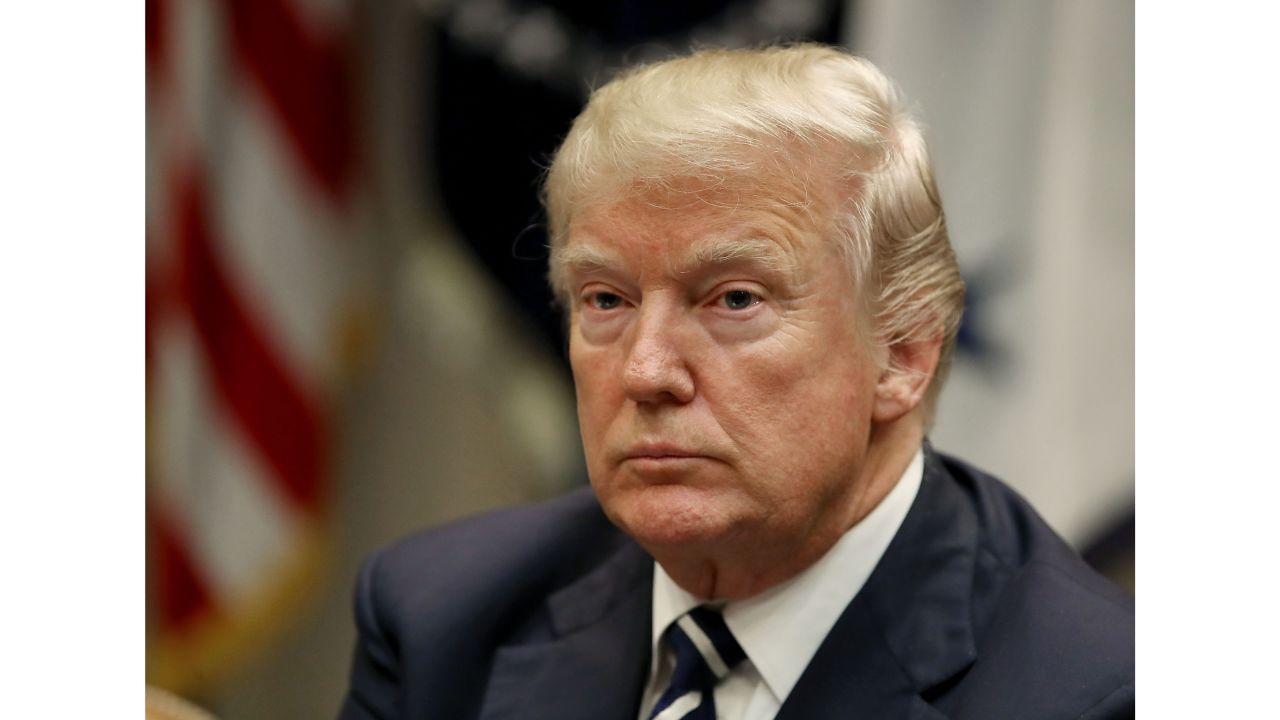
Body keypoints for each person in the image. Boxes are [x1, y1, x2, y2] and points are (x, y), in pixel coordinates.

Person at [339, 44, 1134, 720]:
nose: (647, 372)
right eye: (606, 300)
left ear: (903, 354)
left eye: (734, 300)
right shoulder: (440, 618)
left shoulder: (1094, 693)